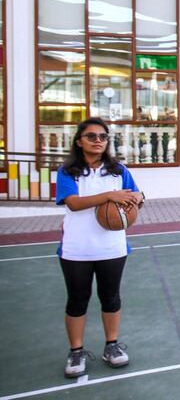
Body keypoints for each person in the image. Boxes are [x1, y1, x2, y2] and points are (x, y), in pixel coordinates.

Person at [55, 117, 144, 378]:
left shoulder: (118, 171)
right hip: (77, 248)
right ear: (79, 141)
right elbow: (72, 202)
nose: (98, 141)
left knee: (111, 297)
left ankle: (112, 346)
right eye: (91, 136)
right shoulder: (68, 171)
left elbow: (136, 196)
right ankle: (76, 351)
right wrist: (110, 196)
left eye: (103, 137)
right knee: (77, 300)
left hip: (112, 247)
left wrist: (138, 198)